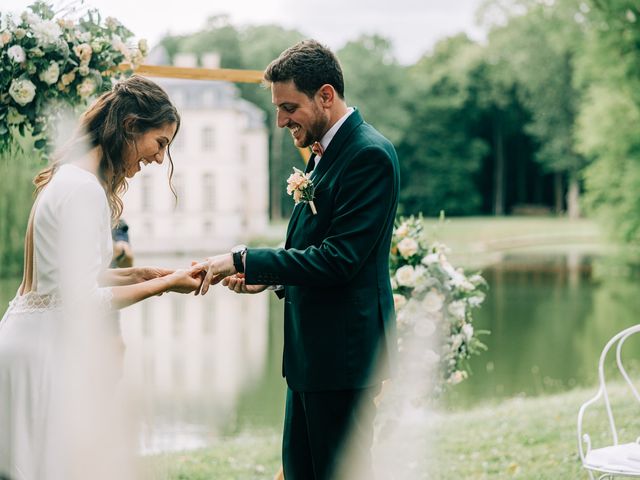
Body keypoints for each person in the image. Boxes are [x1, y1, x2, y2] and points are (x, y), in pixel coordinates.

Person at [197, 40, 400, 479]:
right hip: (313, 359)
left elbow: (338, 260)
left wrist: (243, 259)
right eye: (277, 109)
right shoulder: (322, 155)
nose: (280, 121)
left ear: (325, 96)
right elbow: (309, 248)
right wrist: (270, 279)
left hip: (344, 359)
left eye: (288, 107)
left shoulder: (368, 155)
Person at [0, 75, 202, 480]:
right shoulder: (85, 190)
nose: (160, 158)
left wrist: (138, 274)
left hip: (27, 342)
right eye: (159, 143)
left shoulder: (70, 179)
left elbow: (68, 279)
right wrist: (165, 284)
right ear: (130, 126)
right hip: (43, 355)